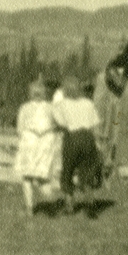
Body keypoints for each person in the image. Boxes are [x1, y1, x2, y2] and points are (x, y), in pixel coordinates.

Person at [51, 76, 103, 213]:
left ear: (65, 91)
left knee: (67, 171)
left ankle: (69, 204)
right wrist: (97, 143)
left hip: (72, 138)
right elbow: (95, 124)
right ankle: (90, 203)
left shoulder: (62, 104)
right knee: (87, 171)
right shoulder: (88, 103)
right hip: (87, 138)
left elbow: (59, 123)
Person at [13, 79, 62, 215]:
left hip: (29, 142)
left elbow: (19, 129)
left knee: (27, 176)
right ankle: (53, 203)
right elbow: (58, 124)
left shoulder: (24, 107)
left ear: (31, 93)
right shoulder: (51, 107)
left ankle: (30, 207)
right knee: (42, 178)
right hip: (45, 144)